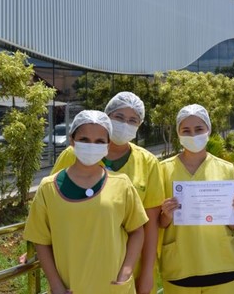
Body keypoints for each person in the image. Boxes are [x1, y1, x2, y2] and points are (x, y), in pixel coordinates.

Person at [24, 110, 148, 294]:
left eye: (99, 141)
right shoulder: (48, 188)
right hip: (71, 287)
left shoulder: (122, 184)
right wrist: (56, 285)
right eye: (84, 140)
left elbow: (137, 231)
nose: (92, 146)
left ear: (107, 145)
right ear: (72, 141)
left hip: (115, 287)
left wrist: (126, 271)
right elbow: (40, 240)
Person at [51, 92, 164, 294]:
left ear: (139, 125)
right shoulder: (73, 154)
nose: (124, 124)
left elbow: (150, 225)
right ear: (107, 117)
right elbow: (50, 207)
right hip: (77, 266)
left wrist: (147, 272)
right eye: (119, 117)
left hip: (128, 270)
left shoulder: (148, 162)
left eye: (132, 120)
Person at [159, 104, 234, 294]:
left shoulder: (226, 169)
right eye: (186, 130)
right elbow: (158, 222)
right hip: (181, 268)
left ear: (208, 130)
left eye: (199, 129)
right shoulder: (163, 170)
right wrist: (166, 214)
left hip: (224, 265)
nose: (193, 135)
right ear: (178, 134)